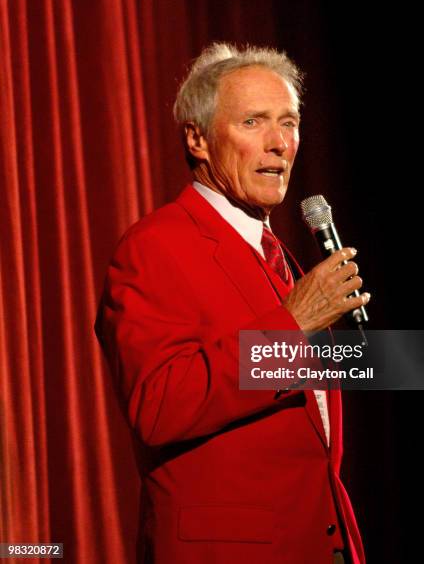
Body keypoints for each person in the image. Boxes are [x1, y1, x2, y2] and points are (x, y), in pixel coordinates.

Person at [95, 42, 370, 564]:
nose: (279, 144)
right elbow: (160, 405)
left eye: (288, 123)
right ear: (198, 139)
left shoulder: (276, 252)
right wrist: (294, 323)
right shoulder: (154, 247)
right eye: (253, 122)